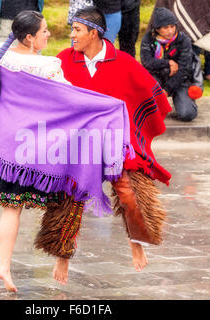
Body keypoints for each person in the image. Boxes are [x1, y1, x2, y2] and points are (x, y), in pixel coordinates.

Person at [0, 10, 132, 291]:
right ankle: (2, 265)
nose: (49, 35)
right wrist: (108, 106)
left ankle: (1, 251)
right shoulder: (48, 68)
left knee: (10, 210)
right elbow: (71, 103)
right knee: (13, 211)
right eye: (44, 32)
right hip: (28, 158)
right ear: (30, 38)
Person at [57, 6, 172, 272]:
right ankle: (62, 255)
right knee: (68, 198)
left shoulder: (123, 61)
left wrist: (143, 125)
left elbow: (150, 93)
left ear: (94, 33)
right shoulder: (63, 60)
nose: (72, 35)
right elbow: (46, 94)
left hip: (116, 145)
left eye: (77, 30)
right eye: (71, 29)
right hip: (80, 146)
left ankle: (137, 242)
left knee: (129, 192)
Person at [141, 7, 198, 122]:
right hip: (156, 77)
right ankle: (151, 102)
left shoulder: (183, 40)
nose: (170, 31)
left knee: (187, 114)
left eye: (172, 26)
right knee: (148, 113)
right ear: (157, 29)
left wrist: (166, 90)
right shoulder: (148, 39)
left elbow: (184, 69)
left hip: (179, 79)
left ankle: (187, 101)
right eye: (165, 27)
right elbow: (146, 63)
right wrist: (168, 63)